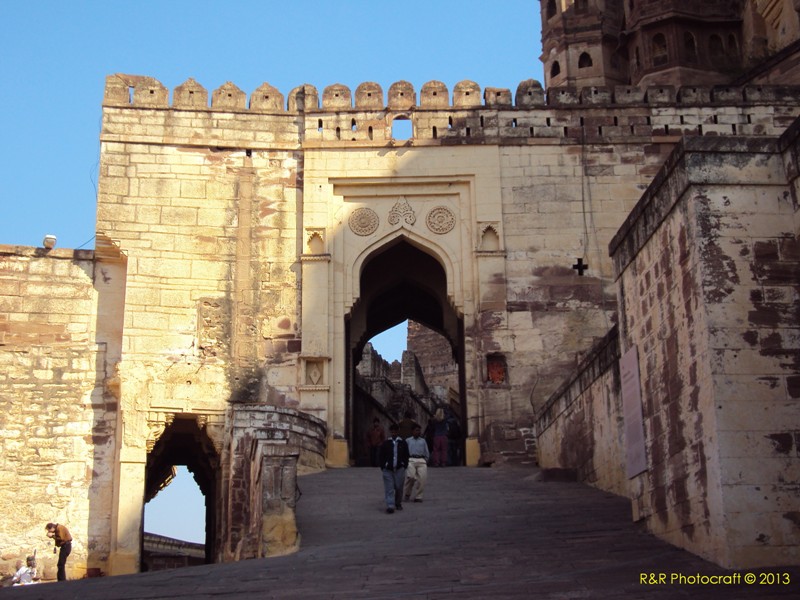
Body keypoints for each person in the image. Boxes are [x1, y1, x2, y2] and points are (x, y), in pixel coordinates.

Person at [378, 423, 409, 513]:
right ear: (390, 432)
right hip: (388, 469)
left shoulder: (403, 443)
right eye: (392, 431)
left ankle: (398, 502)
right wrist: (383, 466)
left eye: (395, 431)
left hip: (399, 468)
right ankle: (390, 505)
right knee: (389, 487)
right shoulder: (386, 443)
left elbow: (406, 455)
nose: (394, 433)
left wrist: (404, 464)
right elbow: (381, 455)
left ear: (398, 432)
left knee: (399, 487)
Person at [403, 424, 430, 502]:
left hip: (421, 460)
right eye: (416, 430)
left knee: (422, 479)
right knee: (411, 477)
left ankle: (419, 496)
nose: (418, 432)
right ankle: (407, 493)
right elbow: (404, 451)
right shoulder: (408, 440)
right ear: (412, 431)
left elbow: (426, 451)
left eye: (419, 430)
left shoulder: (423, 441)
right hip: (411, 460)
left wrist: (426, 460)